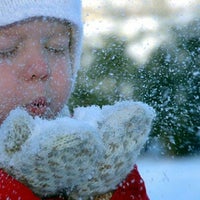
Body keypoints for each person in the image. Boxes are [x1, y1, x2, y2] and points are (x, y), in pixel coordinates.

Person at [0, 0, 149, 199]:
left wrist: (108, 186)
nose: (41, 68)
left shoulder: (93, 155)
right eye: (6, 50)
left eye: (56, 47)